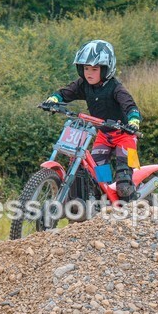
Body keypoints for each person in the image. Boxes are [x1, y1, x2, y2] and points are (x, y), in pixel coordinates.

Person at [43, 40, 142, 201]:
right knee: (98, 177)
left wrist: (134, 121)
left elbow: (130, 106)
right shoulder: (84, 84)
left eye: (94, 69)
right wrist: (53, 99)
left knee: (124, 183)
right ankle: (105, 202)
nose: (89, 73)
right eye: (86, 68)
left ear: (106, 69)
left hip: (125, 136)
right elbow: (65, 92)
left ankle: (131, 206)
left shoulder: (116, 88)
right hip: (104, 135)